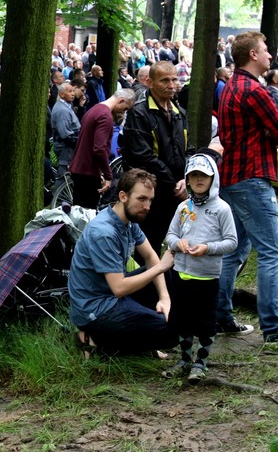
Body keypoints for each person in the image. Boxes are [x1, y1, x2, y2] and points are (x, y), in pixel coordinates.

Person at [215, 31, 278, 344]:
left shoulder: (230, 86)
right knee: (271, 252)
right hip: (253, 178)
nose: (271, 55)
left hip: (232, 177)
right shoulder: (255, 91)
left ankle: (221, 317)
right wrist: (269, 134)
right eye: (266, 50)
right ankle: (274, 328)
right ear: (253, 55)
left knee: (235, 250)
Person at [69, 169, 177, 357]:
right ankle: (95, 340)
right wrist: (161, 266)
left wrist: (164, 299)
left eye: (150, 200)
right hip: (96, 308)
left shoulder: (128, 220)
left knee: (164, 277)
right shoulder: (104, 232)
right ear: (123, 196)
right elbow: (119, 287)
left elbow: (151, 257)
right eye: (142, 199)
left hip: (111, 295)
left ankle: (135, 335)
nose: (147, 206)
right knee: (174, 332)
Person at [162, 153, 237, 382]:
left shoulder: (222, 209)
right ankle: (184, 359)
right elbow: (170, 235)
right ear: (187, 179)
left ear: (213, 178)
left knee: (205, 321)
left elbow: (232, 241)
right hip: (181, 274)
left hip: (207, 277)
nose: (199, 180)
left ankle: (201, 362)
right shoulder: (183, 207)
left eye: (203, 175)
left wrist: (208, 248)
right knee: (182, 319)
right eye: (194, 175)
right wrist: (177, 243)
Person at [121, 61, 189, 255]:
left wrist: (187, 178)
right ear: (150, 82)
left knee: (175, 245)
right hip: (151, 193)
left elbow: (188, 148)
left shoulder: (179, 112)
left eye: (174, 79)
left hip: (177, 191)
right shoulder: (139, 113)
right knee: (149, 246)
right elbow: (143, 157)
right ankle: (147, 284)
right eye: (165, 80)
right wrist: (175, 183)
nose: (171, 85)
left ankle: (167, 284)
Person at [68, 89, 135, 209]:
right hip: (88, 173)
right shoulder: (105, 116)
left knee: (78, 212)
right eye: (125, 108)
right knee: (86, 214)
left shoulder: (94, 109)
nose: (123, 112)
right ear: (121, 101)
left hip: (80, 169)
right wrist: (108, 175)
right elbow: (99, 149)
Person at [51, 83, 80, 178]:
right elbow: (66, 134)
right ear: (62, 94)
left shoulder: (67, 107)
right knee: (64, 176)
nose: (72, 94)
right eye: (69, 91)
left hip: (69, 148)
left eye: (73, 91)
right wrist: (79, 143)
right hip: (66, 148)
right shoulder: (62, 110)